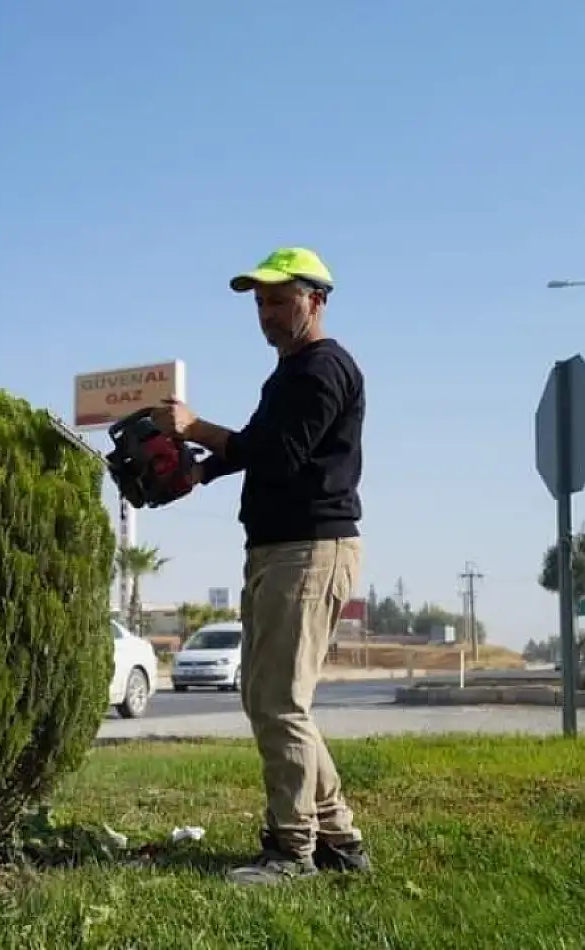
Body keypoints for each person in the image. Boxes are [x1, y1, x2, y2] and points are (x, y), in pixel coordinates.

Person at [152, 246, 369, 885]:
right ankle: (339, 838)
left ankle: (292, 851)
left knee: (279, 702)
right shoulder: (290, 373)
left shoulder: (322, 369)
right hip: (279, 547)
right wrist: (200, 468)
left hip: (309, 548)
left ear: (316, 300)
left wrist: (197, 428)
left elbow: (278, 453)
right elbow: (257, 441)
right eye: (260, 303)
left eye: (280, 300)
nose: (268, 314)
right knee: (271, 697)